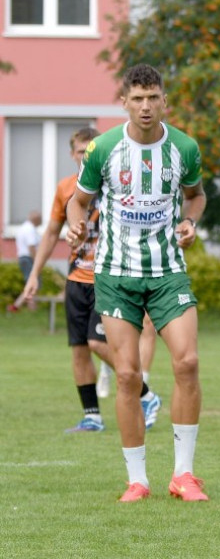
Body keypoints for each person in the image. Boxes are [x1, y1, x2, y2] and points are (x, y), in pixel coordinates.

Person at [65, 64, 206, 503]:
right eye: (138, 98)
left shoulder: (184, 147)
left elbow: (195, 195)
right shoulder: (104, 148)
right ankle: (137, 480)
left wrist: (189, 221)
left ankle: (183, 476)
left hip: (167, 273)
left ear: (165, 101)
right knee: (126, 375)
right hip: (116, 275)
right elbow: (79, 201)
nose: (146, 106)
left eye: (153, 97)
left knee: (186, 363)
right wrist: (75, 225)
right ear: (124, 102)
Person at [18, 127, 162, 433]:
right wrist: (34, 276)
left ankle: (146, 395)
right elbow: (52, 233)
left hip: (108, 278)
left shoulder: (117, 184)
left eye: (90, 151)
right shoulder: (66, 189)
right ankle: (92, 416)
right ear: (72, 155)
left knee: (98, 342)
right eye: (80, 152)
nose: (85, 157)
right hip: (76, 278)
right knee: (79, 348)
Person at [9, 211, 42, 311]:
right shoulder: (30, 229)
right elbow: (31, 246)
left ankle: (18, 306)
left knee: (30, 282)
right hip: (29, 258)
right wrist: (38, 261)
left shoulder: (23, 228)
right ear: (36, 219)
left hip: (23, 258)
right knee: (33, 282)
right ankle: (29, 308)